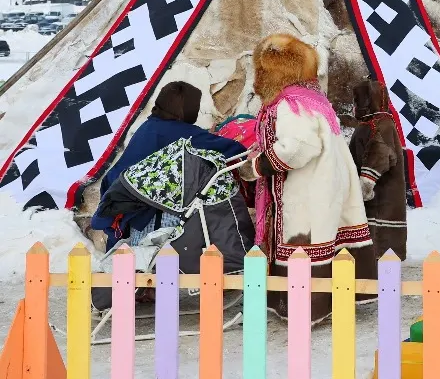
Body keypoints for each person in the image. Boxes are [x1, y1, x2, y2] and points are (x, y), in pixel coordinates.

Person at [236, 33, 371, 322]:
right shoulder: (310, 99)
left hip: (307, 190)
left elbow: (299, 146)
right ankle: (329, 300)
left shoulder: (289, 104)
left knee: (304, 246)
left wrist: (258, 166)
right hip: (323, 185)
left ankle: (308, 307)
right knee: (327, 240)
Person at [91, 81, 247, 249]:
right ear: (185, 108)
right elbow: (233, 150)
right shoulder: (182, 133)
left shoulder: (149, 127)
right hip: (152, 219)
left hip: (129, 216)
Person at [349, 79, 408, 260]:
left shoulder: (381, 124)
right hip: (374, 197)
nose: (354, 106)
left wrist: (364, 186)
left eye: (356, 100)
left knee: (380, 246)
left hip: (381, 197)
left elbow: (380, 155)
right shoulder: (370, 124)